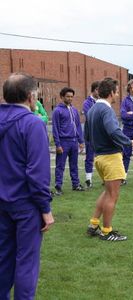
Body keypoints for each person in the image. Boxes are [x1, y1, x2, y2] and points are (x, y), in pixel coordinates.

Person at [0, 73, 54, 299]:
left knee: (3, 257)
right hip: (26, 204)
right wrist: (45, 209)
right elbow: (37, 172)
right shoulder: (32, 123)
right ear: (32, 97)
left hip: (3, 201)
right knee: (26, 261)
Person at [84, 77, 133, 241]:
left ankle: (93, 224)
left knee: (107, 192)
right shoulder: (106, 110)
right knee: (113, 195)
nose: (117, 94)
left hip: (99, 157)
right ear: (111, 93)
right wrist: (128, 142)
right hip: (111, 157)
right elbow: (113, 131)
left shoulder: (92, 109)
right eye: (117, 92)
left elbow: (86, 135)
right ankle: (107, 231)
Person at [52, 87, 85, 195]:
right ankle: (58, 187)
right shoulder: (57, 111)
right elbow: (55, 128)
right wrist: (57, 144)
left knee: (74, 165)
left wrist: (81, 141)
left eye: (71, 97)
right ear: (62, 97)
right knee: (60, 166)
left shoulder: (74, 110)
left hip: (74, 142)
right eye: (68, 96)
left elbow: (78, 126)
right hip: (63, 142)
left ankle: (75, 184)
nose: (70, 98)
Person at [82, 81, 100, 188]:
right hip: (90, 134)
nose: (100, 92)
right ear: (94, 90)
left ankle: (105, 178)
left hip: (100, 134)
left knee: (103, 157)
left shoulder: (101, 102)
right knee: (89, 157)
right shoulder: (86, 103)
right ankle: (88, 180)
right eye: (98, 90)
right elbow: (90, 117)